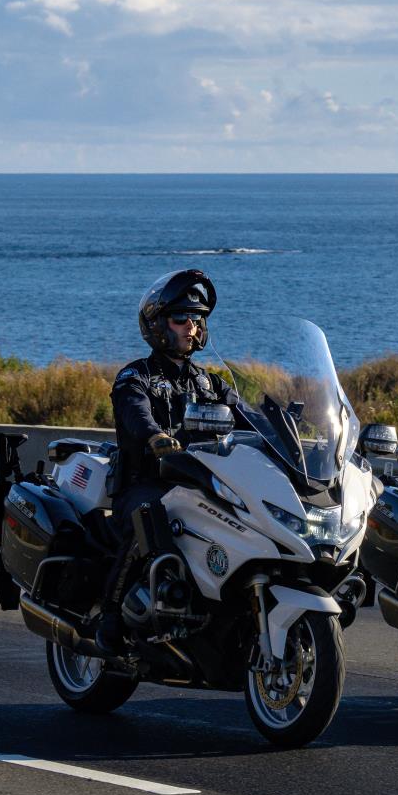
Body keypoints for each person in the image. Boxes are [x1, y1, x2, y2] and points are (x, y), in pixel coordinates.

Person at [92, 268, 239, 657]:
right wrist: (154, 436)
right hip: (144, 484)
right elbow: (134, 411)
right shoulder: (135, 375)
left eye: (197, 319)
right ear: (157, 325)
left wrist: (287, 430)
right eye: (181, 318)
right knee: (149, 512)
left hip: (196, 486)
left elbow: (247, 416)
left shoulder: (209, 383)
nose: (192, 326)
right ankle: (111, 615)